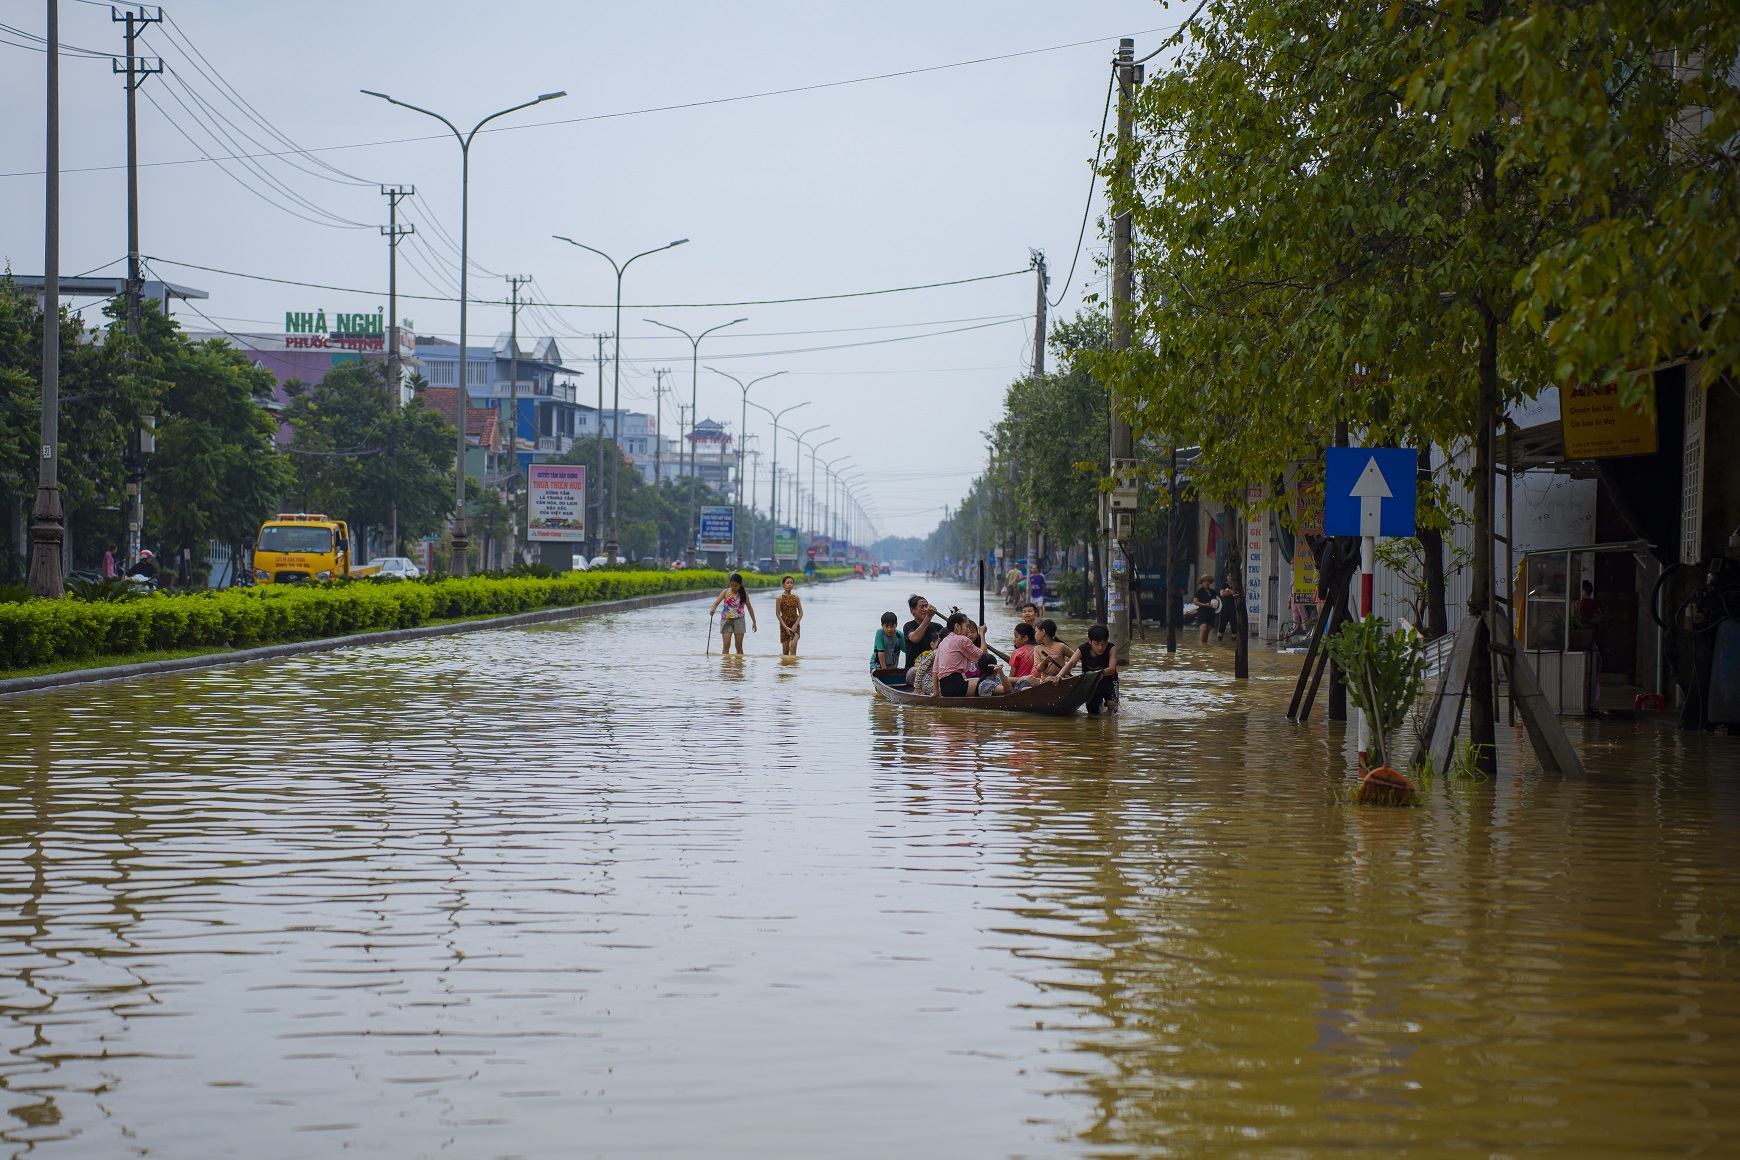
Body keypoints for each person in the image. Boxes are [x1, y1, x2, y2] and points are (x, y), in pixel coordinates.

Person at [932, 612, 991, 697]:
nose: (968, 630)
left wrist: (936, 692)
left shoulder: (943, 642)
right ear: (957, 627)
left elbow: (935, 672)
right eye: (967, 626)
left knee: (978, 680)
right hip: (956, 685)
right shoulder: (962, 639)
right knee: (988, 682)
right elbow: (982, 655)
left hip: (945, 688)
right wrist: (982, 634)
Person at [708, 572, 758, 654]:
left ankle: (739, 665)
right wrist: (712, 609)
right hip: (726, 620)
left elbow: (750, 608)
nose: (733, 587)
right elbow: (716, 603)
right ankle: (726, 665)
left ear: (740, 585)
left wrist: (754, 622)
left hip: (739, 621)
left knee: (738, 646)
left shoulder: (744, 595)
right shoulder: (725, 592)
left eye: (736, 586)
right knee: (726, 644)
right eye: (732, 585)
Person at [1077, 623, 1120, 715]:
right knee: (1092, 712)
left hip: (1110, 680)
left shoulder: (1111, 648)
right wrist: (1059, 676)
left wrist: (1100, 673)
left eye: (1103, 644)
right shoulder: (1082, 649)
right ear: (1090, 641)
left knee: (1112, 706)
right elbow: (1071, 663)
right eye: (1097, 644)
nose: (1100, 648)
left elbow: (1112, 668)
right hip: (1092, 683)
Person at [902, 594, 947, 669]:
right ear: (912, 610)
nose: (925, 610)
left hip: (934, 667)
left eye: (926, 606)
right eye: (921, 607)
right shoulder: (908, 626)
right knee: (916, 670)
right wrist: (928, 617)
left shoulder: (938, 627)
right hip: (913, 668)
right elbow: (915, 638)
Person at [1031, 619, 1078, 684]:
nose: (1034, 635)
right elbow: (1038, 669)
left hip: (1061, 679)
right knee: (1030, 678)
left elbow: (1075, 657)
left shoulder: (1061, 646)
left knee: (1050, 679)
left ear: (1043, 632)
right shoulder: (1037, 649)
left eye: (1036, 632)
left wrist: (1068, 669)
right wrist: (1045, 662)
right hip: (1045, 681)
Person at [776, 575, 804, 656]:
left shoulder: (796, 598)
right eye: (787, 583)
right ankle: (786, 667)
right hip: (784, 626)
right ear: (783, 585)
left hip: (795, 626)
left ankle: (794, 667)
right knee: (785, 652)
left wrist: (795, 624)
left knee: (793, 646)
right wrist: (785, 627)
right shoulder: (779, 598)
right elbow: (778, 614)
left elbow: (801, 613)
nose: (789, 584)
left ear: (793, 585)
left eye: (791, 583)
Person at [1008, 622, 1038, 690]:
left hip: (1019, 686)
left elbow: (1011, 676)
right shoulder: (1039, 650)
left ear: (1025, 638)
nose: (1014, 640)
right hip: (1036, 685)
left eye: (1016, 637)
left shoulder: (1017, 652)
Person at [1194, 574, 1217, 644]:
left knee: (1207, 631)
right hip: (1202, 613)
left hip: (1211, 614)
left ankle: (1205, 647)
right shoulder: (1199, 592)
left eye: (1208, 581)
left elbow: (1217, 601)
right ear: (1202, 583)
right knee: (1204, 629)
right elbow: (1195, 602)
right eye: (1205, 581)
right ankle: (1201, 645)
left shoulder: (1213, 592)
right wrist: (1205, 605)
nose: (1206, 583)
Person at [1217, 570, 1239, 641]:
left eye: (1231, 576)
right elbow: (1222, 594)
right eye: (1229, 576)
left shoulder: (1236, 585)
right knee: (1221, 628)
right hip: (1224, 609)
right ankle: (1219, 643)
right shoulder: (1224, 585)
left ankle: (1233, 644)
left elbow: (1237, 594)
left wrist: (1228, 591)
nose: (1230, 577)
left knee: (1234, 628)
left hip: (1234, 609)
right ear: (1227, 577)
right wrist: (1231, 592)